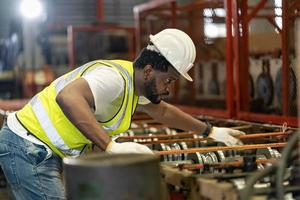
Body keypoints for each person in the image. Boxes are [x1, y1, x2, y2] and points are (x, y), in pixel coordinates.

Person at [0, 28, 244, 199]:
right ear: (149, 71)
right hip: (28, 146)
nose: (169, 88)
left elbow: (164, 113)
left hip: (42, 150)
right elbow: (68, 97)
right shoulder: (114, 79)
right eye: (168, 80)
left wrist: (210, 131)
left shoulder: (134, 89)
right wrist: (110, 146)